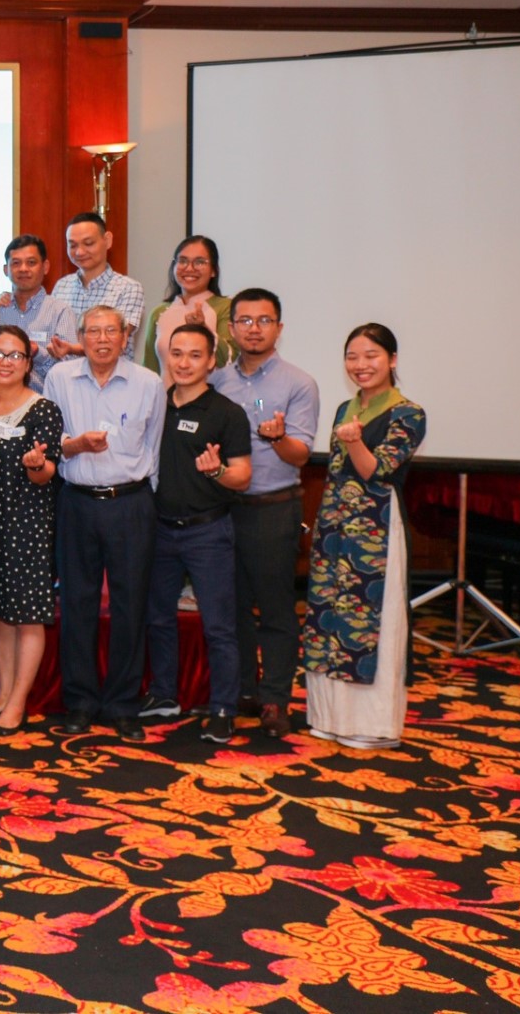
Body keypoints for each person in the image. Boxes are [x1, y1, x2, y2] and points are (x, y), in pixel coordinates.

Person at [44, 305, 166, 741]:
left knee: (130, 606)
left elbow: (154, 448)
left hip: (130, 504)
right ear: (81, 337)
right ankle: (79, 702)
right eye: (93, 331)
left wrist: (144, 499)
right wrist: (74, 446)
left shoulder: (148, 383)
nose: (101, 339)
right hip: (76, 501)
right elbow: (50, 440)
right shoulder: (60, 377)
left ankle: (123, 703)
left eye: (110, 331)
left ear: (125, 336)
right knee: (77, 604)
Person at [302, 324, 426, 750]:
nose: (361, 365)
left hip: (376, 531)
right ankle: (329, 717)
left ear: (392, 360)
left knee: (370, 622)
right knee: (328, 619)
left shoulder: (408, 413)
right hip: (334, 527)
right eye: (352, 356)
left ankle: (372, 726)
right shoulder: (345, 407)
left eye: (371, 355)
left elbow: (377, 470)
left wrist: (355, 442)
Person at [210, 287, 320, 739]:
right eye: (245, 321)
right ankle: (242, 691)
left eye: (264, 320)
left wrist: (277, 438)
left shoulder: (299, 383)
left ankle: (275, 698)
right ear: (231, 328)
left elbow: (300, 455)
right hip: (222, 509)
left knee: (275, 609)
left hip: (273, 509)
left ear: (279, 327)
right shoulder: (217, 381)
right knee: (230, 607)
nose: (254, 329)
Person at [138, 322, 254, 744]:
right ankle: (164, 694)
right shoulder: (155, 404)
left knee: (219, 626)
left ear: (210, 362)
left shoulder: (227, 413)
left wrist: (218, 471)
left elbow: (243, 476)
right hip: (159, 529)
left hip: (208, 531)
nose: (184, 363)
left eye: (194, 355)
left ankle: (223, 708)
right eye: (177, 353)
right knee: (158, 617)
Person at [0, 326, 64, 733]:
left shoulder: (43, 410)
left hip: (27, 525)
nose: (5, 362)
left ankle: (19, 701)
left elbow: (47, 474)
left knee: (27, 616)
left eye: (15, 355)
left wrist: (36, 465)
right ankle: (4, 692)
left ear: (28, 363)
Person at [137, 235, 234, 385]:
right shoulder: (159, 312)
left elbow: (231, 361)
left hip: (212, 398)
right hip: (165, 398)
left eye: (199, 262)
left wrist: (204, 328)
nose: (189, 268)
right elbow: (150, 370)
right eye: (182, 261)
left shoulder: (226, 307)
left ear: (213, 270)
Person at [48, 213, 144, 360]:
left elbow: (115, 340)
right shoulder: (62, 286)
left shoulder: (128, 288)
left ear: (107, 240)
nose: (79, 252)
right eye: (72, 245)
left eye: (88, 243)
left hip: (112, 373)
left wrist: (70, 349)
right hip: (66, 373)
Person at [0, 234, 76, 393]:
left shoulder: (60, 312)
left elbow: (69, 369)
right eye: (16, 263)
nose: (23, 269)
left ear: (45, 267)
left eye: (31, 262)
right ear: (6, 270)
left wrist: (37, 353)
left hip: (46, 401)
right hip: (0, 403)